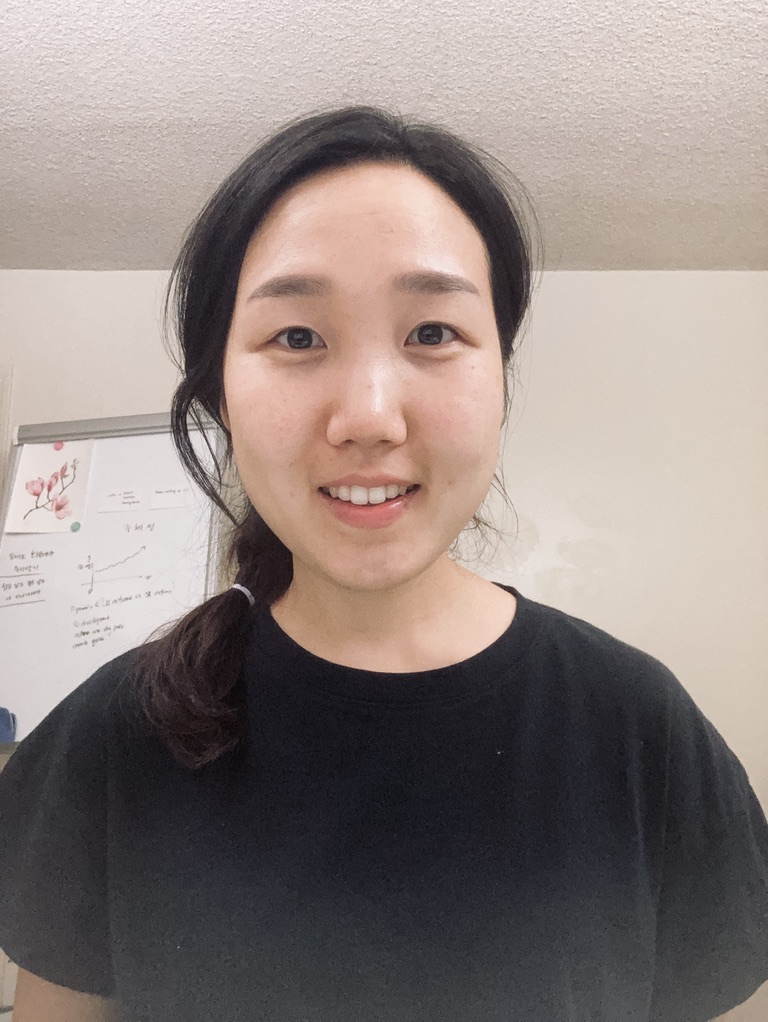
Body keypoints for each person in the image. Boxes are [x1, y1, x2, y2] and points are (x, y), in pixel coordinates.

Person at [0, 105, 766, 1022]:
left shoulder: (643, 731)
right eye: (297, 337)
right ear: (222, 397)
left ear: (501, 377)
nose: (368, 416)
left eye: (432, 333)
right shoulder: (113, 738)